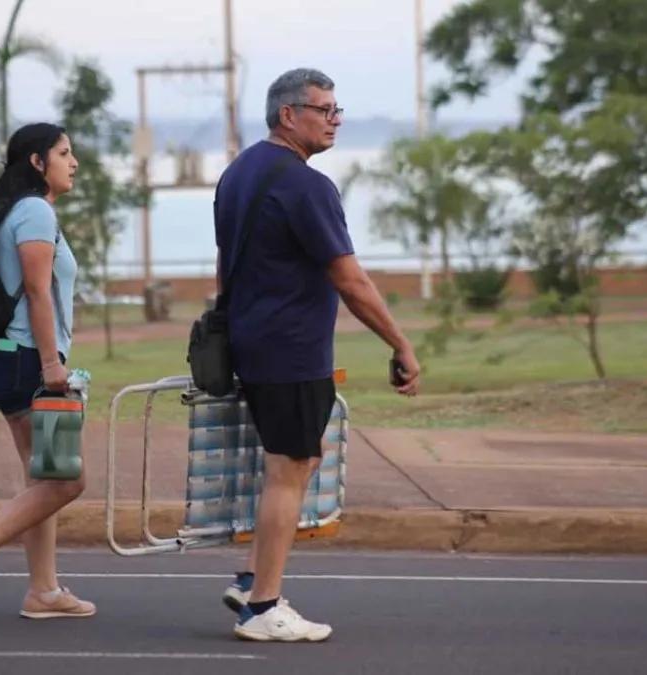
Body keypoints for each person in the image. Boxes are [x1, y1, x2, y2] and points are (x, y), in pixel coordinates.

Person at [213, 68, 422, 642]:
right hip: (291, 351)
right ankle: (262, 608)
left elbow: (225, 263)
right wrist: (401, 344)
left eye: (337, 109)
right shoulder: (308, 186)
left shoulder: (238, 173)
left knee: (294, 461)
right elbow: (351, 281)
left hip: (250, 342)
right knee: (290, 468)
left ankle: (254, 577)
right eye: (324, 110)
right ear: (289, 115)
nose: (335, 120)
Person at [0, 123, 94, 619]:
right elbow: (36, 291)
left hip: (12, 356)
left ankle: (43, 591)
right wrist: (52, 365)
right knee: (66, 481)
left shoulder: (21, 211)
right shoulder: (34, 212)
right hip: (28, 360)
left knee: (42, 479)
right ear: (36, 162)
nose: (73, 163)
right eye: (64, 153)